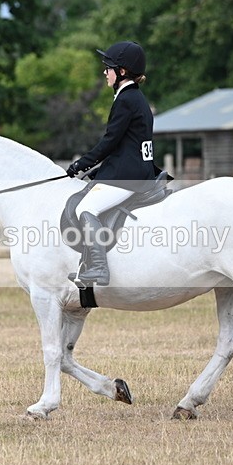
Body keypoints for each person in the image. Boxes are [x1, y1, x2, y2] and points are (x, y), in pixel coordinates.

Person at [66, 40, 157, 286]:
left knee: (85, 209)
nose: (105, 72)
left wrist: (81, 164)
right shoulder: (136, 98)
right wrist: (98, 168)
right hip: (137, 169)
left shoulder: (126, 100)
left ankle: (98, 267)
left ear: (122, 71)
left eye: (108, 67)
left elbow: (109, 141)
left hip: (129, 175)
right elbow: (124, 145)